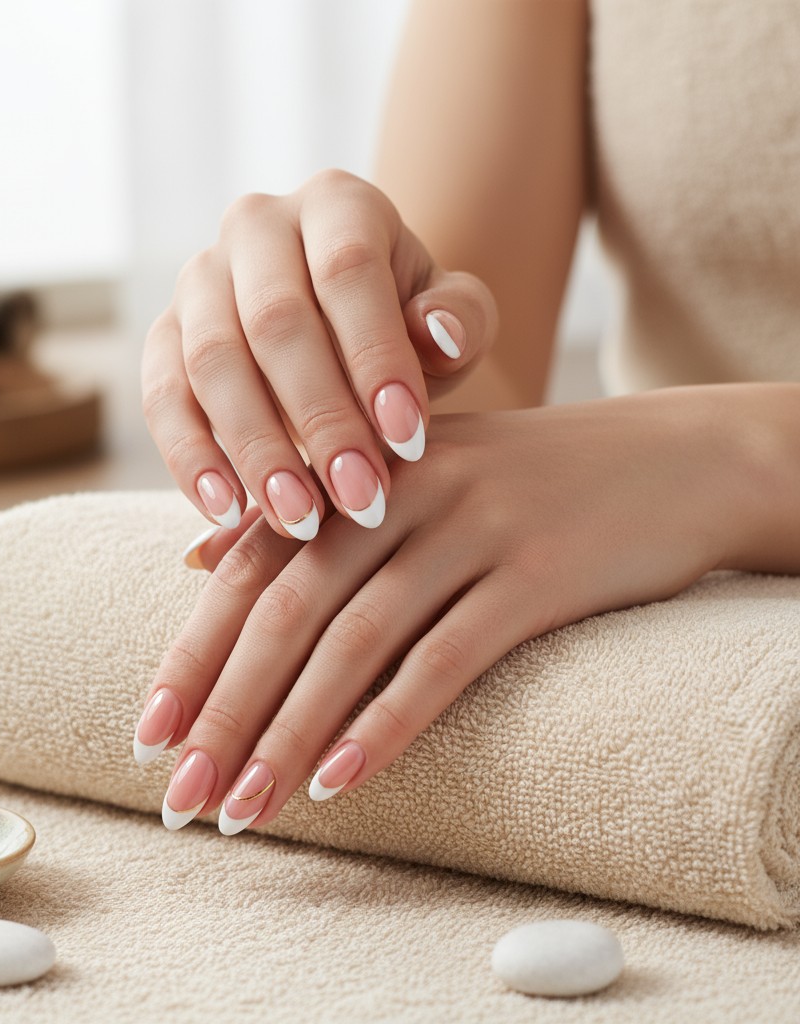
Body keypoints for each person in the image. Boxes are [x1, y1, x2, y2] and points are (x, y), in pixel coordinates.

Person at [134, 0, 800, 833]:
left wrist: (725, 458)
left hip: (654, 499)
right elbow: (472, 394)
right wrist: (344, 327)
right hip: (632, 545)